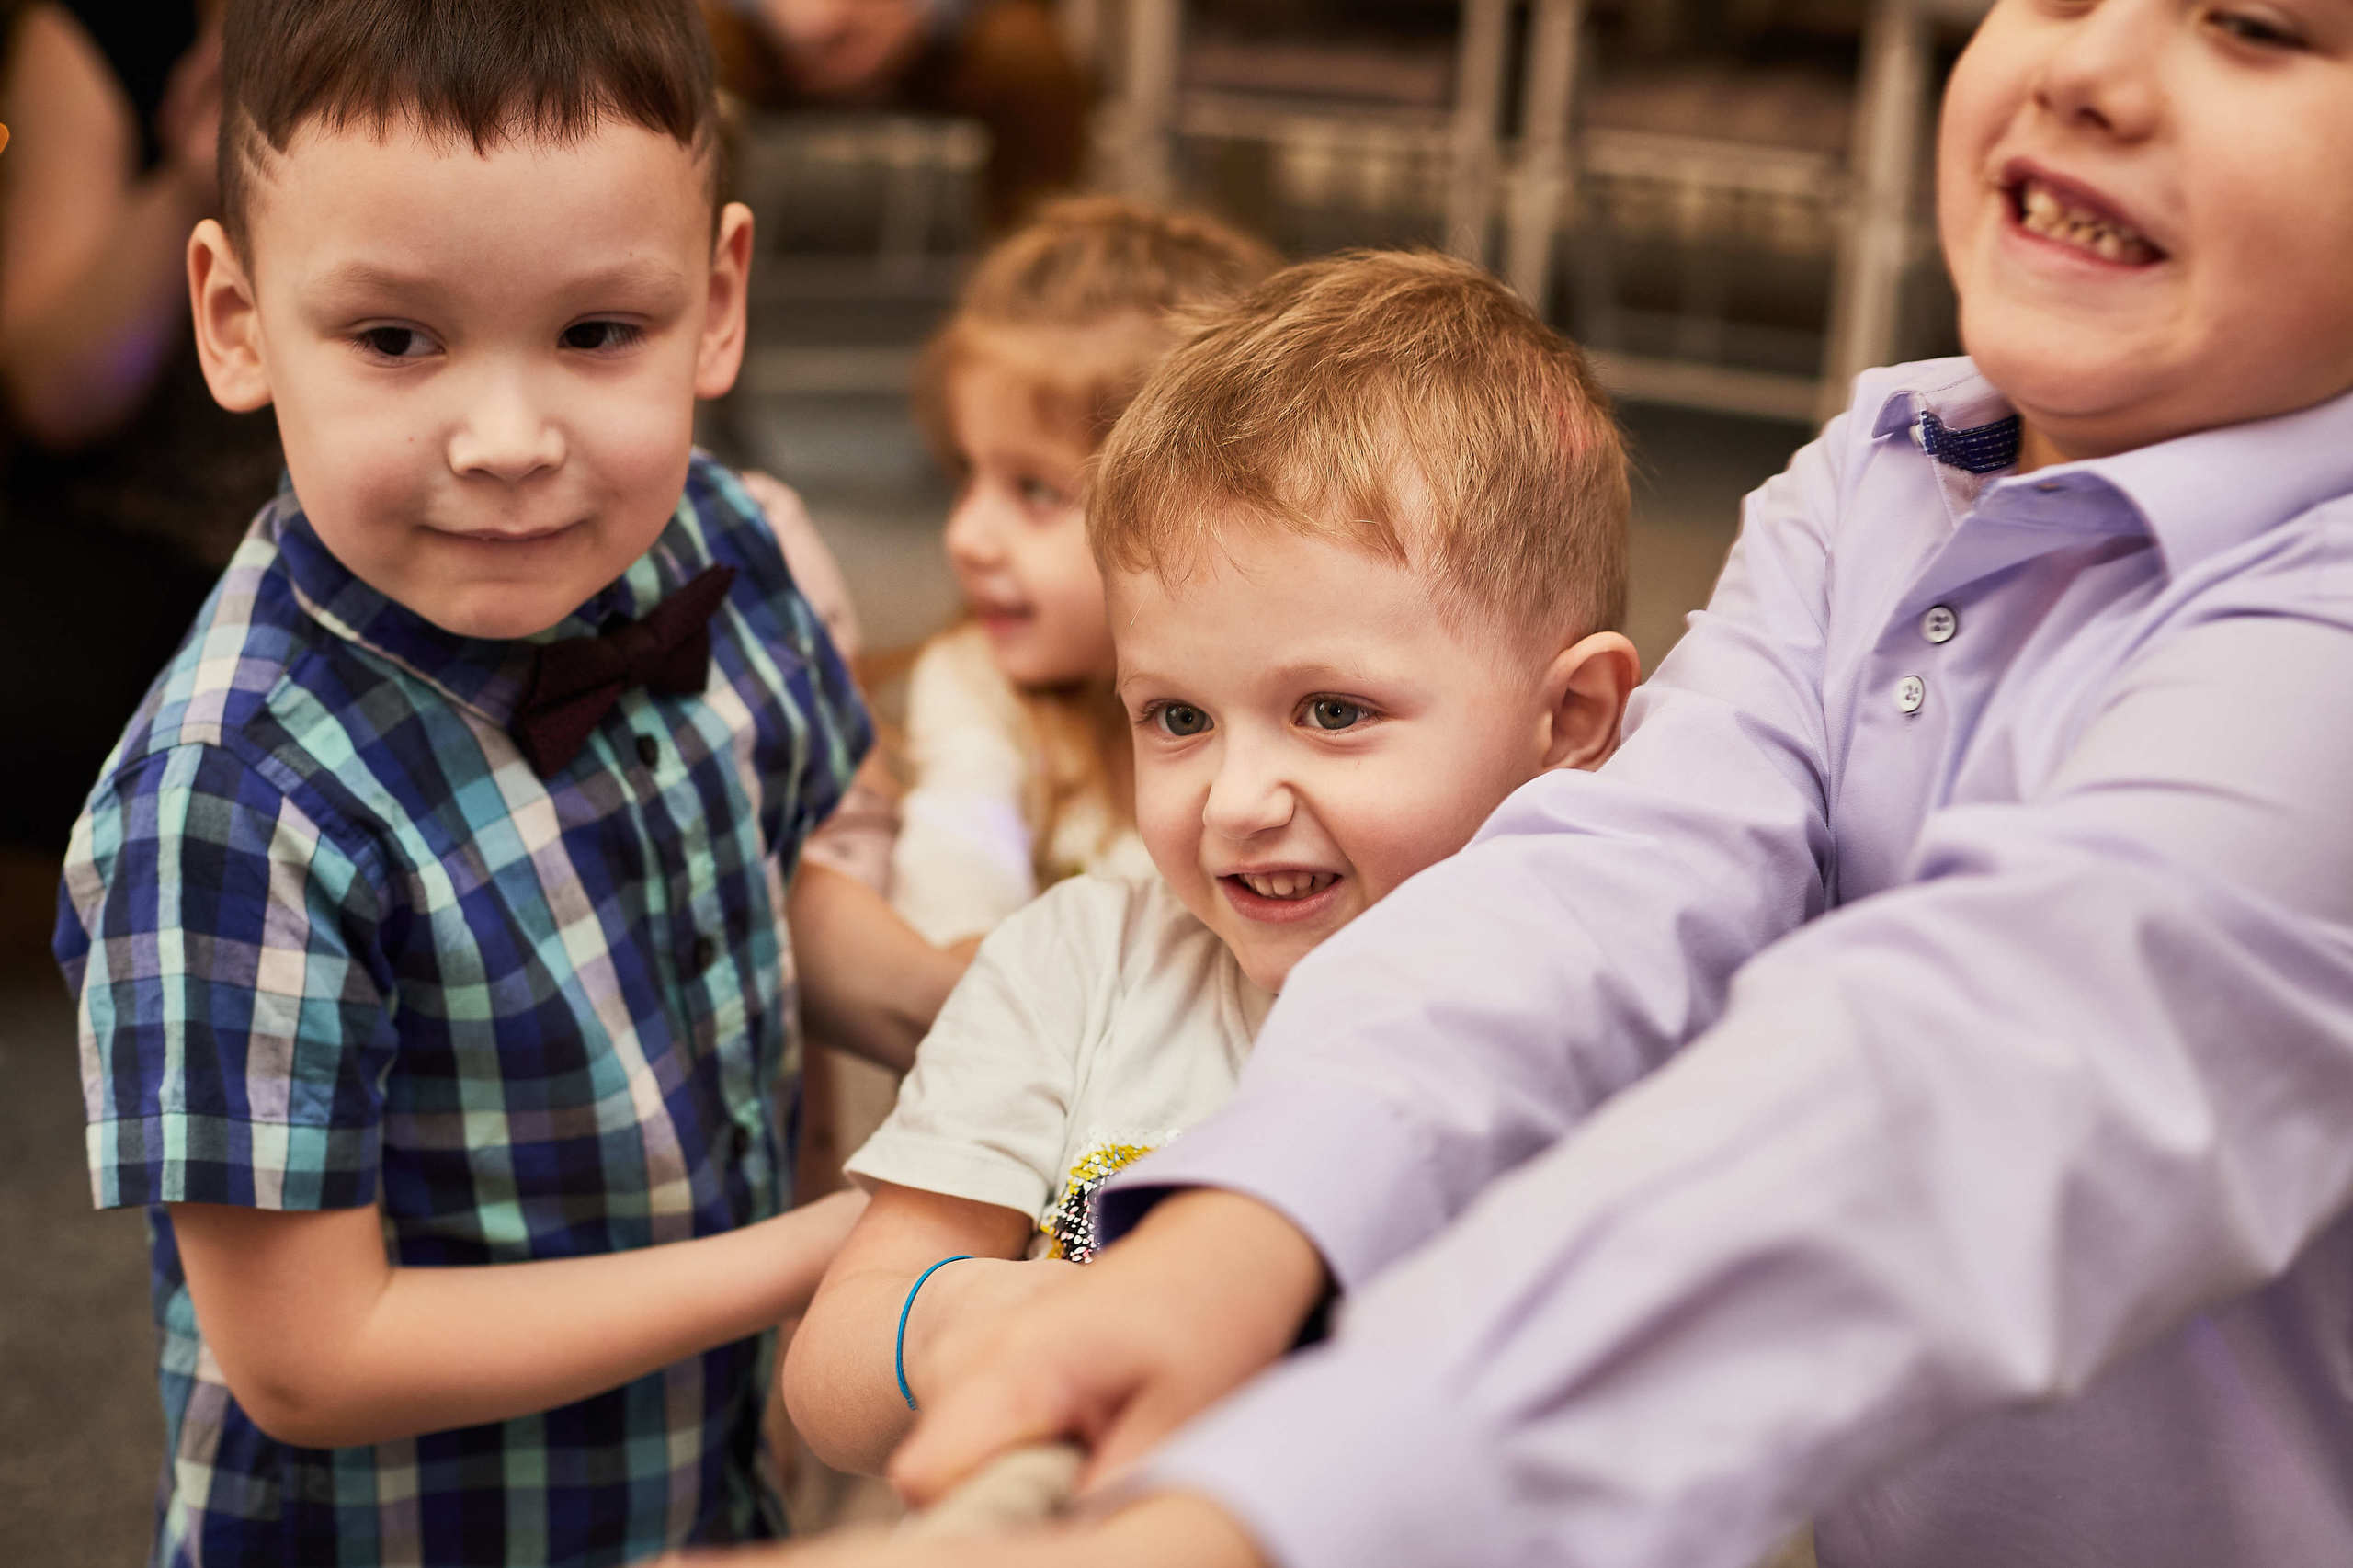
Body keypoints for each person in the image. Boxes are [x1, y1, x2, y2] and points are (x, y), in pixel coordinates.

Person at [676, 0, 2353, 1562]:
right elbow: (1604, 877)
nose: (2092, 69)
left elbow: (1971, 1082)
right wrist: (1246, 1235)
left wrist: (1253, 1502)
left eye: (2260, 23)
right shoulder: (1885, 475)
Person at [52, 0, 965, 1562]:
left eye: (598, 334)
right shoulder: (233, 805)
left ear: (718, 299)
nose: (508, 437)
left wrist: (980, 1008)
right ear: (236, 320)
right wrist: (828, 1249)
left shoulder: (720, 545)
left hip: (694, 1474)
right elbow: (314, 1359)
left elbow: (764, 877)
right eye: (397, 338)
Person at [779, 250, 1640, 1476]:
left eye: (1333, 712)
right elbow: (834, 1368)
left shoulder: (1618, 1038)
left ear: (1570, 720)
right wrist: (980, 1318)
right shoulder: (1080, 962)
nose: (1234, 802)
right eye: (1177, 718)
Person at [884, 198, 1277, 949]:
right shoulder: (978, 684)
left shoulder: (1286, 702)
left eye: (1034, 490)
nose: (965, 536)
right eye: (967, 474)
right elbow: (956, 901)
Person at [0, 0, 284, 855]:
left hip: (366, 521)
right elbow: (56, 394)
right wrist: (195, 180)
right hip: (135, 534)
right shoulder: (103, 35)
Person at [701, 0, 1090, 231]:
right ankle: (696, 272)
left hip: (940, 32)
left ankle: (1031, 277)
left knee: (1029, 63)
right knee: (689, 49)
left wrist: (921, 12)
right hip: (766, 29)